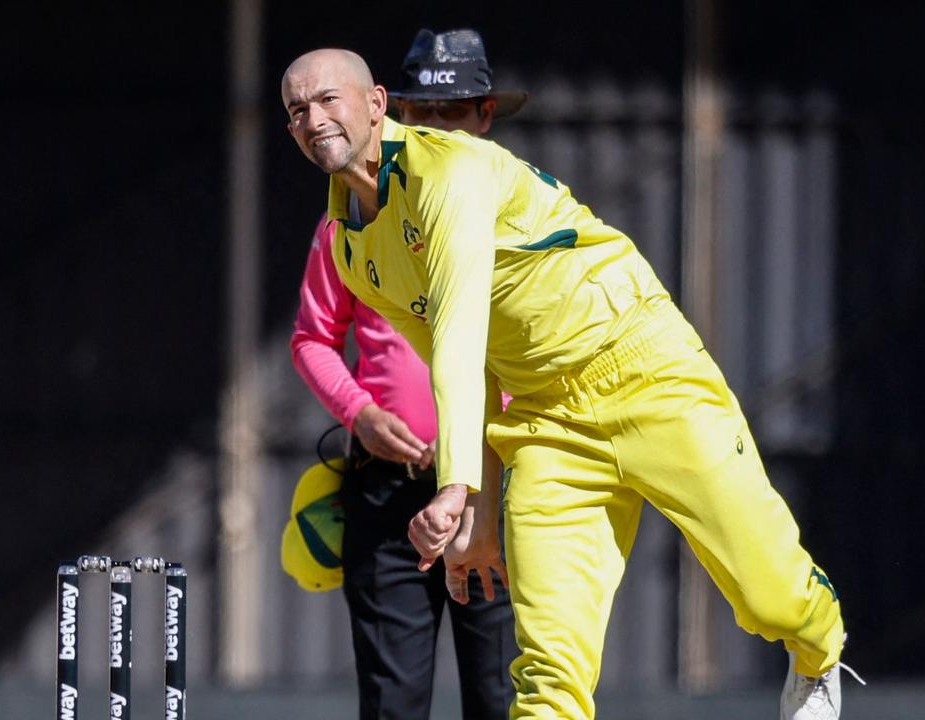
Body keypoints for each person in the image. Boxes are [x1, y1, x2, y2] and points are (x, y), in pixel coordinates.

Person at [281, 47, 859, 720]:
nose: (313, 118)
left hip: (644, 371)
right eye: (297, 110)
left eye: (328, 99)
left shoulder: (452, 171)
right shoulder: (350, 250)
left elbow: (462, 335)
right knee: (547, 681)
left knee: (768, 597)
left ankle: (819, 651)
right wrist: (483, 512)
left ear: (377, 103)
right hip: (544, 425)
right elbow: (476, 362)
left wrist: (456, 490)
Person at [289, 29, 523, 720]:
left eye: (456, 113)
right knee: (391, 706)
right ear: (395, 117)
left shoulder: (517, 213)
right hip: (390, 495)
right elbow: (312, 339)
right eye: (424, 115)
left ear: (485, 117)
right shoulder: (349, 222)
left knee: (503, 699)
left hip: (496, 488)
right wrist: (359, 413)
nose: (438, 129)